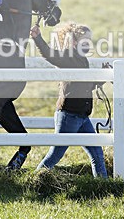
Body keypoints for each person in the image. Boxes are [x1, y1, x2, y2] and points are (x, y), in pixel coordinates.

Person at [30, 22, 108, 178]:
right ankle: (35, 179)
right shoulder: (67, 57)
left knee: (97, 153)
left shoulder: (83, 60)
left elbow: (87, 85)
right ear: (74, 42)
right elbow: (48, 54)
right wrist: (37, 38)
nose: (88, 44)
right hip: (69, 115)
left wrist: (104, 75)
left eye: (89, 40)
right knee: (55, 155)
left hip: (82, 116)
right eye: (85, 40)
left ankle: (103, 185)